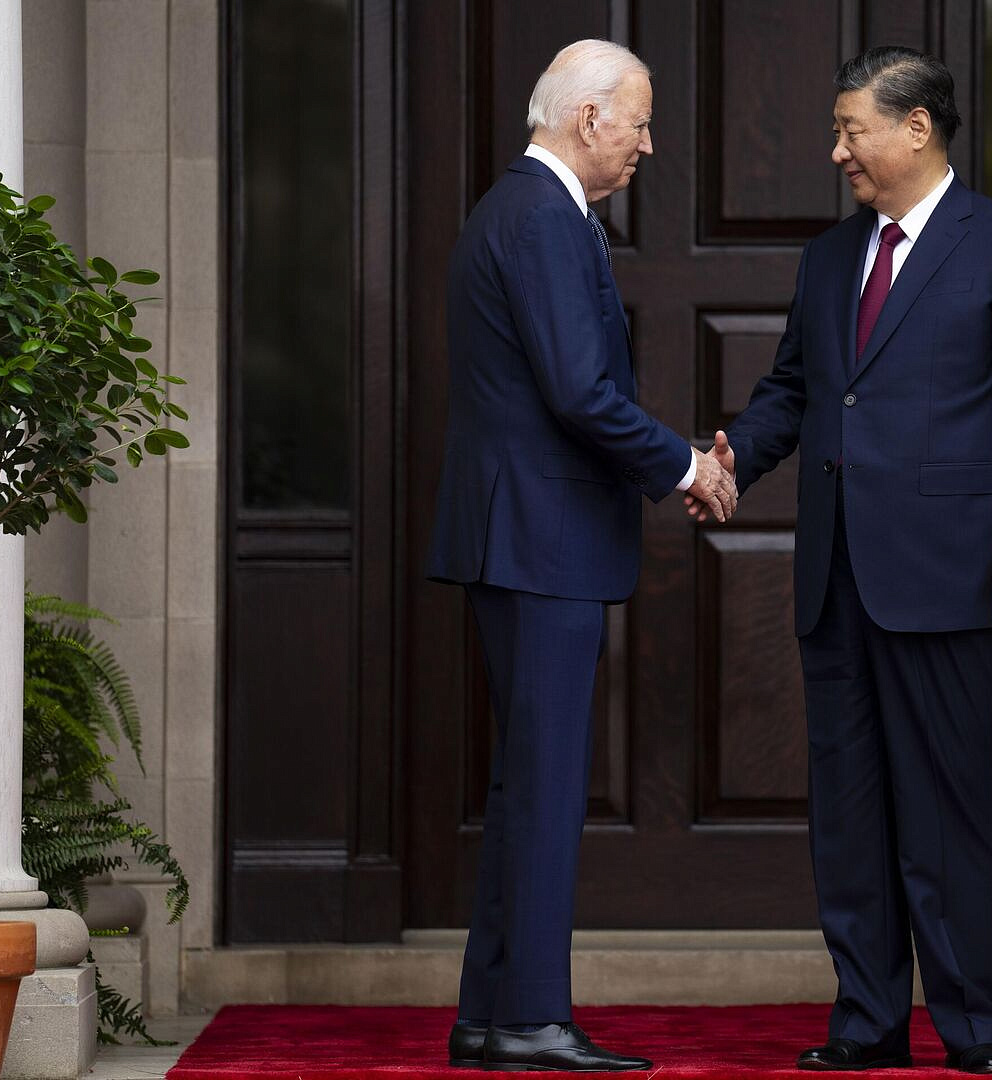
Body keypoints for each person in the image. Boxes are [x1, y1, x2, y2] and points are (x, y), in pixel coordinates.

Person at [696, 45, 992, 1076]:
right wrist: (730, 460)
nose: (837, 151)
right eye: (836, 131)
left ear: (917, 128)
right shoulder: (830, 258)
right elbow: (795, 388)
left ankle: (973, 1031)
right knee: (851, 815)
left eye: (851, 130)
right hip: (838, 579)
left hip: (956, 577)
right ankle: (865, 1024)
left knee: (951, 814)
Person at [424, 38, 737, 1073]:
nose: (648, 144)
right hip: (539, 541)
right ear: (588, 117)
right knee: (548, 786)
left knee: (529, 784)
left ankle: (490, 1015)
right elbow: (580, 393)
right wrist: (686, 465)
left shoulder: (523, 209)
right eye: (639, 122)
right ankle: (531, 1020)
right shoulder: (542, 217)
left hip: (524, 538)